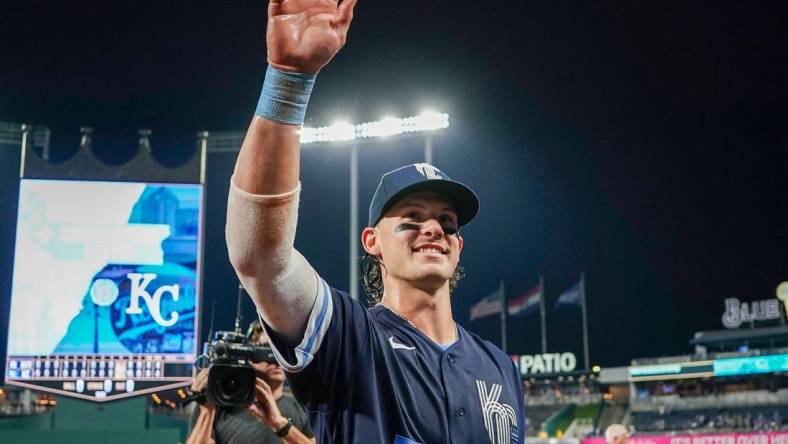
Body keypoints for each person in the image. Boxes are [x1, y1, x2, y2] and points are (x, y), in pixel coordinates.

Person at [225, 0, 525, 442]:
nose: (433, 229)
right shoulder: (349, 339)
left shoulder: (499, 366)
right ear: (372, 241)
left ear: (458, 246)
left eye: (447, 221)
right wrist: (289, 81)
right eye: (411, 218)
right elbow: (260, 256)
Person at [187, 321, 315, 444]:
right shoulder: (217, 404)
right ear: (250, 356)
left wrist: (280, 425)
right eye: (267, 349)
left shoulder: (302, 408)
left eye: (283, 351)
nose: (277, 359)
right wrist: (207, 411)